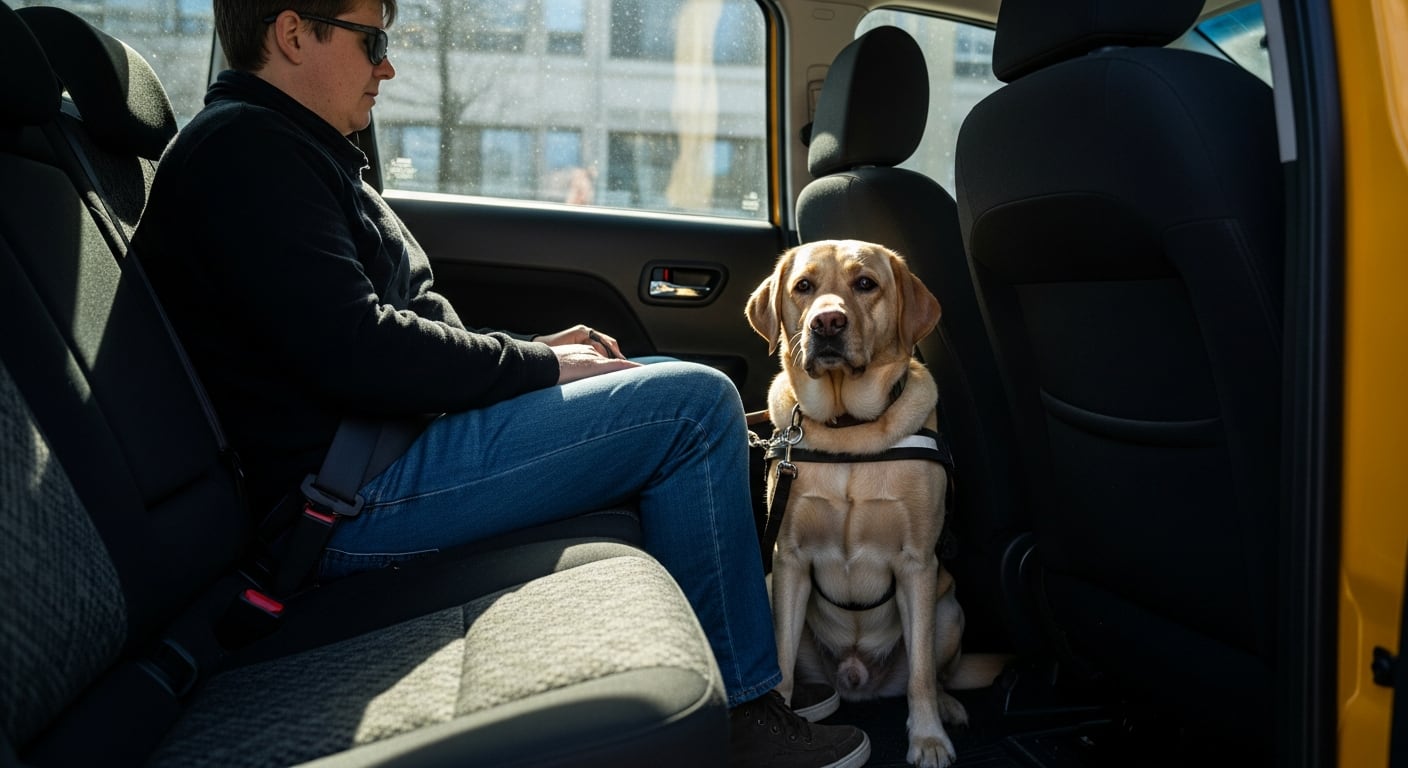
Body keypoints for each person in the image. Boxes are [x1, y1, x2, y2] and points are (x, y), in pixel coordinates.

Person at [130, 2, 870, 766]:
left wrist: (532, 349)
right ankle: (742, 715)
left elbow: (380, 332)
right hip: (352, 498)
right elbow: (362, 349)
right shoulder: (246, 155)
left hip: (387, 449)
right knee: (697, 406)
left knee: (654, 376)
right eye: (372, 42)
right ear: (292, 33)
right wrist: (543, 366)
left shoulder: (296, 150)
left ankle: (737, 665)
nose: (387, 67)